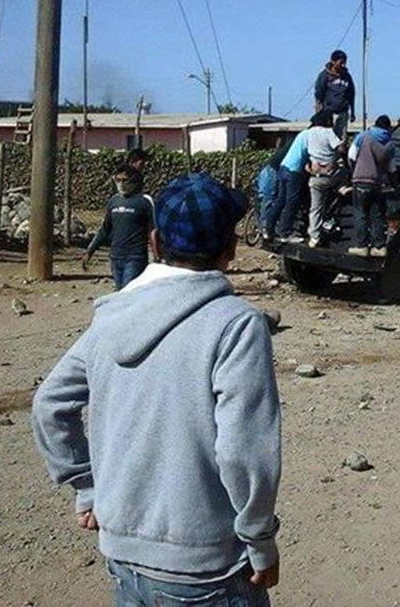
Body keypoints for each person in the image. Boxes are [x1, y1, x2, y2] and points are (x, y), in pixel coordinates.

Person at [33, 173, 281, 604]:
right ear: (231, 248)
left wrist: (87, 487)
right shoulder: (236, 324)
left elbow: (49, 404)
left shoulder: (111, 316)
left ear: (154, 242)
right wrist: (260, 540)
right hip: (205, 568)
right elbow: (244, 450)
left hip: (122, 557)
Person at [82, 165, 155, 290]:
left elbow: (153, 230)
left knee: (128, 292)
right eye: (118, 180)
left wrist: (158, 256)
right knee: (120, 292)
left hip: (135, 258)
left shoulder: (145, 201)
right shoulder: (113, 201)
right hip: (115, 257)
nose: (121, 184)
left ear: (134, 181)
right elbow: (105, 229)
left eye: (125, 180)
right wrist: (89, 251)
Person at [264, 118, 320, 245]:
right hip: (294, 171)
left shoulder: (302, 134)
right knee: (292, 202)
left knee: (280, 200)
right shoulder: (312, 137)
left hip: (283, 168)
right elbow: (313, 159)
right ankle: (285, 233)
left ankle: (268, 229)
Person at [348, 115, 396, 257]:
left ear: (375, 124)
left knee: (360, 213)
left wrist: (354, 171)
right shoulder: (390, 144)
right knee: (377, 215)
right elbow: (392, 169)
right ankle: (379, 247)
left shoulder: (364, 136)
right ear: (388, 128)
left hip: (361, 181)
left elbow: (351, 156)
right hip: (377, 184)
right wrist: (395, 185)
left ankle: (362, 246)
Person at [305, 111, 344, 248]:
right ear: (327, 121)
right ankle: (342, 188)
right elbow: (340, 149)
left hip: (315, 177)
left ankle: (314, 237)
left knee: (315, 208)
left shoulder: (309, 133)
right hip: (330, 175)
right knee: (345, 171)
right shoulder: (328, 132)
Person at [314, 49, 356, 138]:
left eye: (344, 63)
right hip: (328, 113)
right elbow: (319, 93)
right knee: (327, 137)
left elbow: (351, 94)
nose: (343, 65)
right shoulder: (324, 75)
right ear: (333, 61)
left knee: (340, 139)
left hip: (342, 112)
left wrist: (352, 112)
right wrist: (319, 110)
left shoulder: (347, 77)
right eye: (341, 63)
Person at [256, 147, 284, 236]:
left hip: (272, 168)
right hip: (272, 170)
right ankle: (265, 228)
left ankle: (264, 227)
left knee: (268, 198)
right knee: (268, 198)